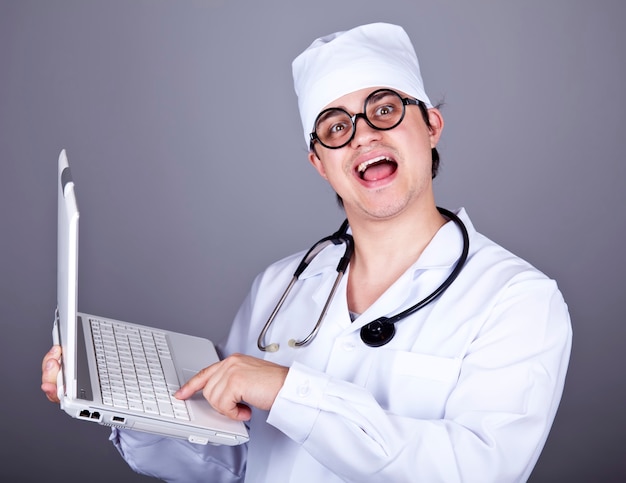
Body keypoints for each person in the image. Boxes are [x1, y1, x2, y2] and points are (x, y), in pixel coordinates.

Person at [42, 22, 572, 482]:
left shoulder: (517, 299)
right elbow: (237, 463)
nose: (363, 135)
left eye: (384, 109)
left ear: (431, 125)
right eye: (336, 126)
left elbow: (479, 471)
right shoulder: (280, 287)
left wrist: (290, 391)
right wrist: (126, 405)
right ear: (320, 163)